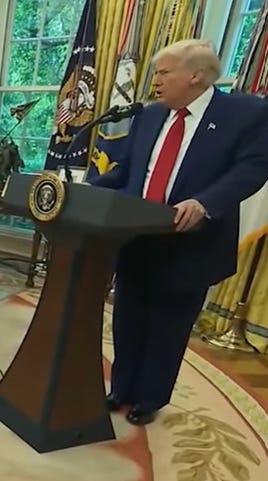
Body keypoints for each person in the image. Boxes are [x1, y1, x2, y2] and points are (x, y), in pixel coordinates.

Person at [91, 39, 268, 425]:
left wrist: (205, 202)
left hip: (192, 239)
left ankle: (149, 398)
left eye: (163, 72)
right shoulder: (150, 115)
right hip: (137, 235)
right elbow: (128, 171)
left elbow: (254, 167)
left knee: (168, 326)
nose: (155, 81)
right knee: (127, 318)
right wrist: (85, 188)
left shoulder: (244, 113)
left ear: (196, 76)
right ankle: (121, 388)